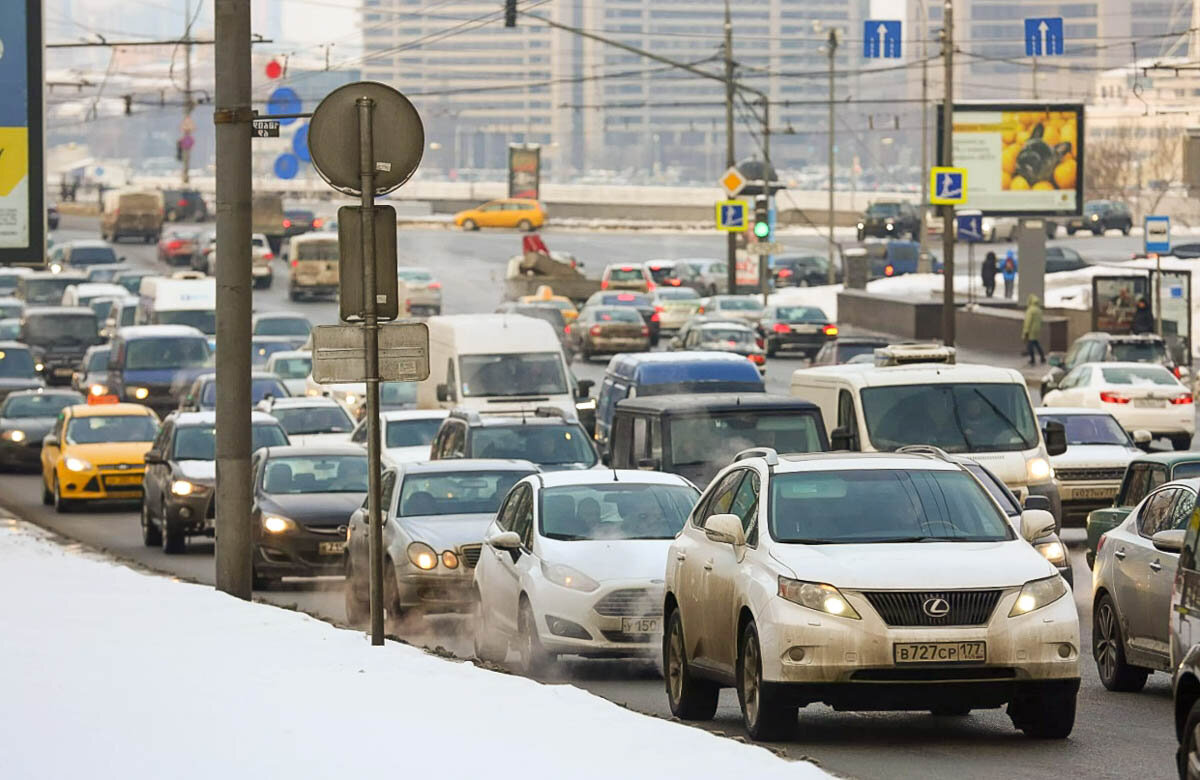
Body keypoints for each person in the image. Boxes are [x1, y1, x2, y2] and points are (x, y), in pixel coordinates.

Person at [1022, 294, 1045, 365]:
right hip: (1036, 330)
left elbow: (1028, 321)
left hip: (1031, 330)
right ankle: (1042, 357)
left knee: (1030, 345)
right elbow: (1041, 321)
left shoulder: (1030, 310)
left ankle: (1032, 359)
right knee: (1036, 343)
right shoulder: (1039, 310)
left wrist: (1026, 331)